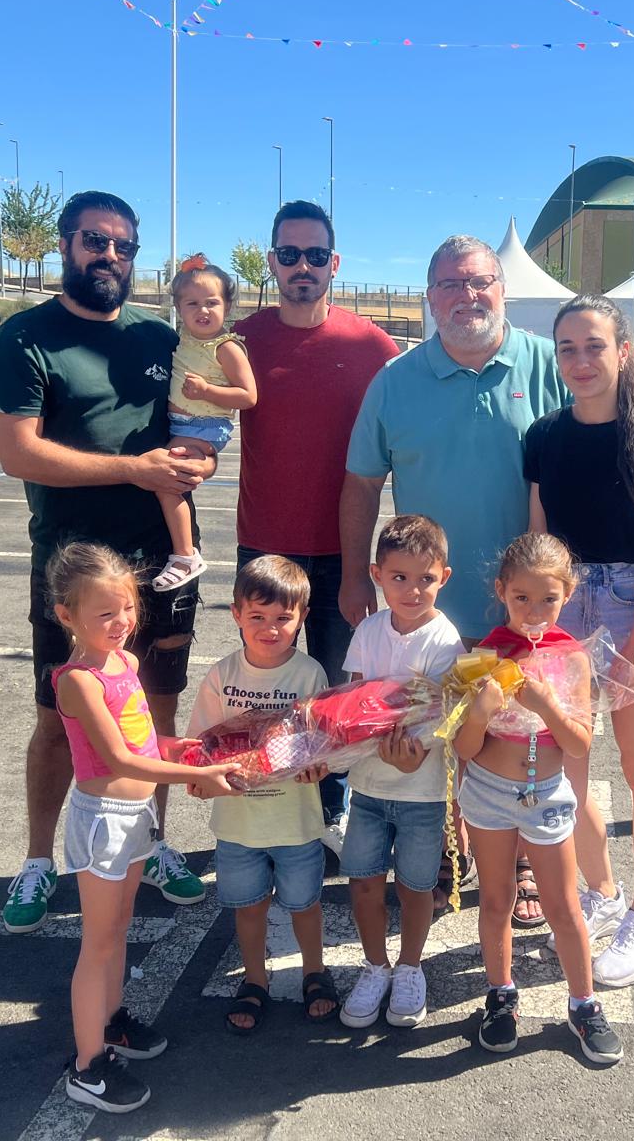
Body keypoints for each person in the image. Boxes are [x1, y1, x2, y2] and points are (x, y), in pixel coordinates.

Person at [340, 234, 634, 924]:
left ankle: (534, 866)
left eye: (478, 282)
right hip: (435, 606)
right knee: (462, 741)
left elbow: (614, 394)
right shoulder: (395, 381)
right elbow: (361, 483)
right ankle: (464, 852)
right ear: (429, 297)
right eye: (448, 284)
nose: (465, 296)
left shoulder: (550, 358)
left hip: (537, 611)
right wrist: (357, 577)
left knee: (532, 745)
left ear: (502, 288)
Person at [0, 190, 216, 934]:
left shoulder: (156, 338)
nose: (107, 255)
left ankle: (153, 838)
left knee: (156, 709)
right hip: (73, 568)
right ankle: (36, 859)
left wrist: (197, 460)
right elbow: (20, 451)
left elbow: (194, 428)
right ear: (65, 245)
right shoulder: (27, 337)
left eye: (121, 245)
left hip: (163, 564)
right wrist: (132, 471)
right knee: (60, 718)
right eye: (93, 241)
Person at [529, 294, 634, 988]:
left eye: (593, 345)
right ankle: (603, 892)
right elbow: (538, 542)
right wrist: (533, 633)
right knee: (567, 768)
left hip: (633, 605)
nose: (579, 360)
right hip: (565, 606)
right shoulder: (542, 435)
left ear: (622, 351)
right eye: (566, 348)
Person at [44, 542, 242, 1113]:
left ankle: (110, 1024)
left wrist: (192, 749)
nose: (121, 623)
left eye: (126, 608)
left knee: (120, 931)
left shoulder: (126, 664)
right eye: (104, 613)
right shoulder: (77, 681)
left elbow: (144, 744)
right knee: (99, 943)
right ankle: (87, 1067)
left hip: (135, 820)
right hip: (104, 821)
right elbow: (122, 763)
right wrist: (191, 773)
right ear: (67, 615)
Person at [233, 200, 401, 854]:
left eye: (314, 255)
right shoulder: (240, 342)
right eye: (288, 253)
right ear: (272, 261)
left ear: (335, 263)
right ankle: (267, 803)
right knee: (268, 684)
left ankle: (329, 809)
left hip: (344, 552)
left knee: (331, 689)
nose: (301, 266)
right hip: (266, 547)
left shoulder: (373, 347)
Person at [452, 533, 622, 1065]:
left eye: (547, 598)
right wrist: (479, 710)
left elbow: (578, 744)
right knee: (497, 900)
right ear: (501, 591)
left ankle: (584, 1003)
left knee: (564, 905)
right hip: (487, 793)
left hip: (547, 795)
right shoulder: (484, 653)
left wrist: (548, 705)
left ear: (567, 595)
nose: (533, 610)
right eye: (521, 597)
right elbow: (463, 746)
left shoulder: (572, 659)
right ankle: (501, 995)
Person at [186, 555, 342, 1035]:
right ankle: (255, 979)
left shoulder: (310, 674)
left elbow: (323, 741)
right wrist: (198, 777)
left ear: (302, 618)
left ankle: (314, 971)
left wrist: (320, 766)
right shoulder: (221, 675)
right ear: (235, 614)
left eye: (283, 619)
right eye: (257, 617)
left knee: (304, 903)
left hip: (295, 820)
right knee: (248, 906)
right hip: (238, 823)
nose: (270, 629)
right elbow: (199, 746)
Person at [336, 515, 466, 1030]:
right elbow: (349, 698)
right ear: (377, 574)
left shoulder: (444, 639)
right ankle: (375, 967)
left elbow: (444, 710)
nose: (413, 591)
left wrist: (418, 751)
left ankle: (410, 968)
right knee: (364, 882)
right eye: (399, 578)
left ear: (444, 577)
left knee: (415, 887)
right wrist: (335, 747)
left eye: (425, 579)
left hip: (422, 790)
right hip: (366, 787)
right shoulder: (369, 630)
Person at [153, 254, 257, 591]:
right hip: (183, 425)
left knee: (166, 480)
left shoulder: (226, 348)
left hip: (205, 426)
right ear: (179, 309)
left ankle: (185, 555)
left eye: (212, 302)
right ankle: (182, 551)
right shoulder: (182, 340)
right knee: (167, 480)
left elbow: (248, 396)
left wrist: (206, 390)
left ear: (227, 307)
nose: (203, 310)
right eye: (192, 303)